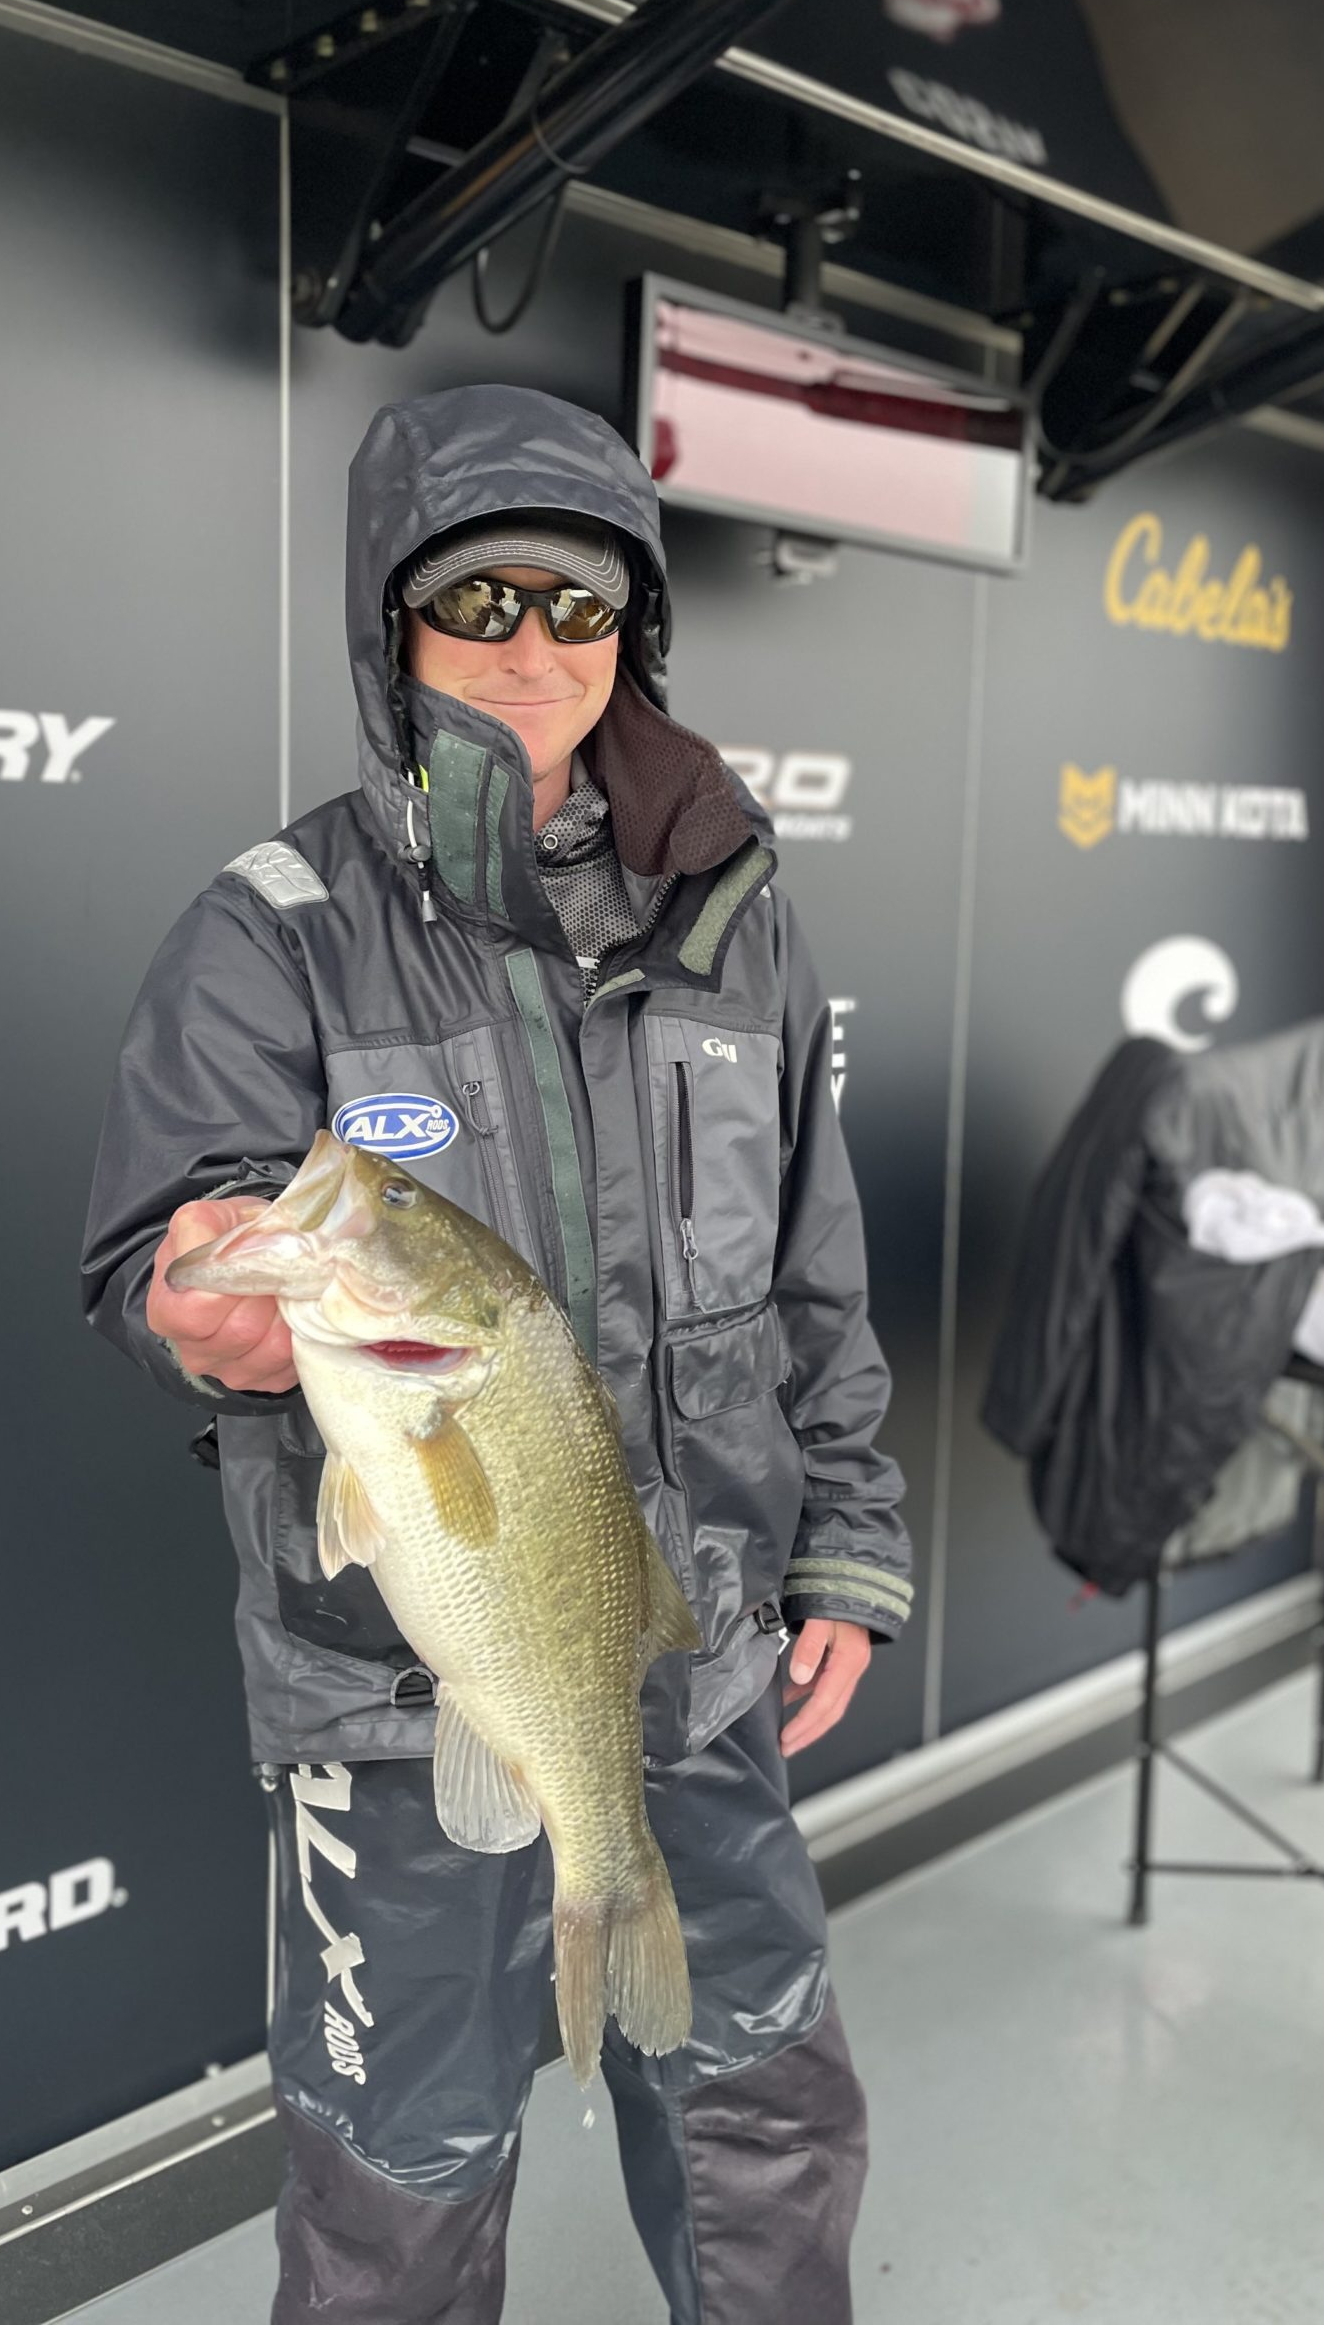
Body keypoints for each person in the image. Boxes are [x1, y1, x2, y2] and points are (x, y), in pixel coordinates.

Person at [81, 383, 912, 2325]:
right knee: (402, 2196)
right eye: (478, 597)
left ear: (636, 629)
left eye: (577, 600)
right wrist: (202, 1308)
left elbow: (814, 1271)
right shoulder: (275, 929)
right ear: (393, 629)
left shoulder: (739, 916)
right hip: (395, 1700)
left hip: (694, 1659)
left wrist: (848, 1543)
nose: (532, 643)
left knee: (772, 2128)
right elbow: (170, 1249)